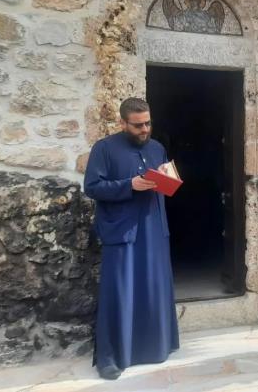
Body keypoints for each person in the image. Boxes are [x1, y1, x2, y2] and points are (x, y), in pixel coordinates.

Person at [84, 97, 179, 379]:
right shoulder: (104, 148)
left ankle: (156, 348)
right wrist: (130, 185)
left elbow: (164, 182)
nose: (144, 129)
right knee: (120, 292)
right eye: (138, 125)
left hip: (153, 228)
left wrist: (168, 178)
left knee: (153, 288)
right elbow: (92, 187)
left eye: (148, 123)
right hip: (122, 231)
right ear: (123, 123)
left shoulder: (157, 148)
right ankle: (113, 357)